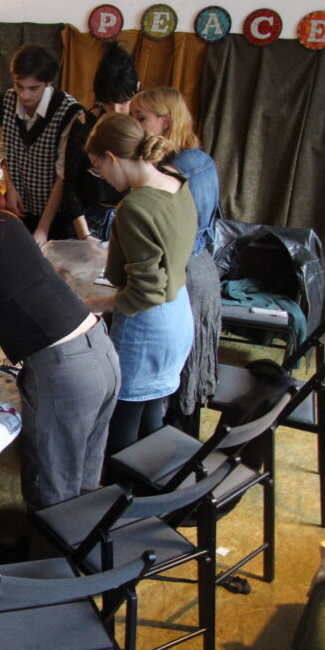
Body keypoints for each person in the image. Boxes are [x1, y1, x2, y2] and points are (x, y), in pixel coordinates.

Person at [0, 160, 119, 509]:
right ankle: (82, 541)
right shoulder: (9, 222)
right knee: (84, 474)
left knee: (51, 488)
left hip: (64, 369)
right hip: (101, 349)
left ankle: (48, 544)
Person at [84, 113, 197, 453]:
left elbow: (145, 293)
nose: (102, 177)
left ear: (112, 158)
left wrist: (92, 305)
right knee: (150, 416)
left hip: (147, 325)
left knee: (122, 426)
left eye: (98, 167)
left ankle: (120, 486)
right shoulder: (176, 181)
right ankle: (151, 485)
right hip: (179, 312)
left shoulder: (134, 207)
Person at [130, 87, 222, 425]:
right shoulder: (201, 159)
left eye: (141, 118)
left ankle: (166, 446)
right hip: (204, 270)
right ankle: (180, 444)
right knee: (187, 369)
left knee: (171, 376)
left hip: (183, 276)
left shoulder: (171, 173)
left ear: (166, 122)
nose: (135, 125)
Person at [0, 44, 84, 244]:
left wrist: (43, 228)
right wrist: (11, 188)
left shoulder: (69, 112)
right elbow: (4, 149)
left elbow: (63, 175)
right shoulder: (2, 104)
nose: (24, 95)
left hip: (55, 214)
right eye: (19, 86)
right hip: (19, 208)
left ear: (48, 83)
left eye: (34, 88)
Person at [63, 41, 140, 241]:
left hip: (131, 215)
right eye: (108, 103)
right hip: (90, 218)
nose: (116, 111)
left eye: (123, 102)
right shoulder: (84, 124)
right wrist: (85, 235)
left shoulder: (144, 124)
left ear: (137, 88)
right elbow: (70, 183)